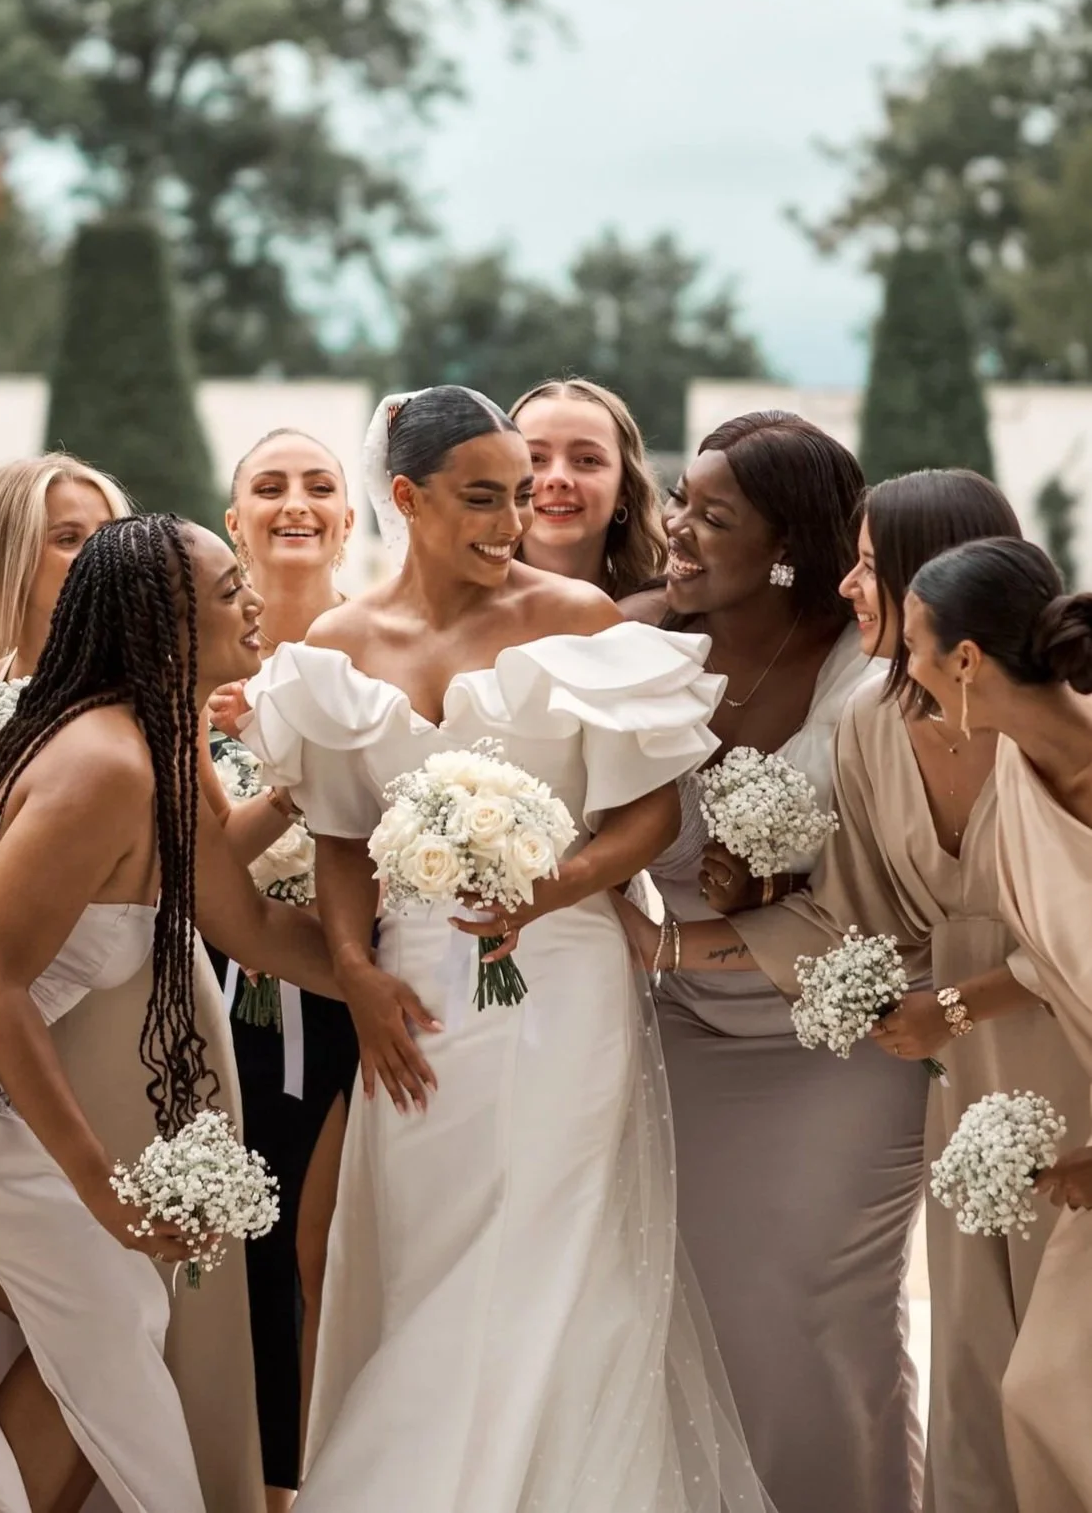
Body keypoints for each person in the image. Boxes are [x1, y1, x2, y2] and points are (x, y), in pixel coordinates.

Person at [242, 386, 775, 1512]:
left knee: (551, 1241)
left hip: (565, 974)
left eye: (519, 497)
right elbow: (339, 836)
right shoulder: (338, 644)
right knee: (428, 1247)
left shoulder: (576, 616)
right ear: (405, 498)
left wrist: (551, 887)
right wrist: (356, 972)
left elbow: (648, 817)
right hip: (414, 990)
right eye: (482, 498)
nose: (510, 522)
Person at [617, 470, 1090, 1513]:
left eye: (869, 565)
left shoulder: (1056, 730)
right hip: (962, 1081)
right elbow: (849, 920)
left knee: (1063, 1377)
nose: (845, 585)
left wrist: (949, 1007)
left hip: (1069, 1045)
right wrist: (663, 944)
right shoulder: (873, 724)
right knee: (974, 1361)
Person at [0, 515, 358, 1513]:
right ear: (162, 622)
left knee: (114, 1345)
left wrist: (403, 974)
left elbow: (250, 925)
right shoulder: (106, 762)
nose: (252, 602)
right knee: (118, 1344)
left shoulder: (150, 746)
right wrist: (99, 1186)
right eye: (227, 590)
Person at [620, 412, 928, 1513]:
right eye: (679, 502)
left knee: (820, 1312)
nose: (676, 530)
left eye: (713, 517)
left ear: (787, 545)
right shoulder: (631, 643)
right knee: (700, 1308)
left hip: (846, 1036)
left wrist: (691, 925)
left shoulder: (871, 670)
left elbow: (893, 885)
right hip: (683, 1027)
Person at [905, 536, 1092, 1513]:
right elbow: (1055, 951)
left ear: (966, 659)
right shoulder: (1015, 774)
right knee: (1043, 1392)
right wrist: (951, 1007)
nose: (907, 671)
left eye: (913, 647)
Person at [205, 429, 361, 1509]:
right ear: (235, 522)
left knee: (333, 1253)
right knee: (241, 1255)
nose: (294, 502)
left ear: (351, 519)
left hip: (359, 990)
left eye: (318, 486)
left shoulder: (382, 652)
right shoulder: (201, 664)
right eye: (269, 486)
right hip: (226, 997)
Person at [510, 376, 667, 599]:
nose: (558, 478)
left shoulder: (665, 614)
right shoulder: (459, 609)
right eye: (534, 458)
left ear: (625, 488)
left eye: (587, 460)